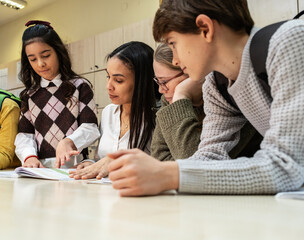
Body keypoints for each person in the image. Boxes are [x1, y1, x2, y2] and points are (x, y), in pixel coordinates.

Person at [107, 0, 304, 196]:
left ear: (205, 28)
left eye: (173, 43)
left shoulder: (289, 41)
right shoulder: (216, 84)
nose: (175, 59)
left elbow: (288, 166)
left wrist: (168, 174)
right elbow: (208, 158)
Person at [151, 43, 261, 161]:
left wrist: (181, 95)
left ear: (189, 72)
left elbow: (194, 162)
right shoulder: (170, 100)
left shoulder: (228, 96)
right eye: (158, 81)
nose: (160, 89)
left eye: (164, 81)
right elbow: (158, 158)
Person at [15, 20, 100, 168]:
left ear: (59, 52)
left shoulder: (80, 87)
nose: (40, 64)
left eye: (46, 55)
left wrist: (69, 141)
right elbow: (25, 135)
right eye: (33, 59)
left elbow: (90, 127)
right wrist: (29, 156)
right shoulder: (30, 95)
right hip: (41, 170)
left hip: (75, 168)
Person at [69, 41, 156, 180]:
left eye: (118, 80)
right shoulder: (108, 113)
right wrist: (91, 164)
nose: (109, 86)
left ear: (141, 82)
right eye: (108, 76)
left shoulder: (158, 117)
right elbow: (102, 159)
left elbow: (164, 167)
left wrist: (116, 162)